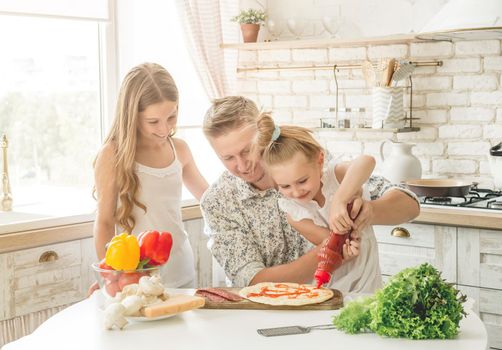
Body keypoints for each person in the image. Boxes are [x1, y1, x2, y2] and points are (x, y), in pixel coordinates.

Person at [200, 96, 420, 289]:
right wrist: (334, 249)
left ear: (263, 137)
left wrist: (369, 212)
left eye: (247, 150)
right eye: (227, 158)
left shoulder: (305, 163)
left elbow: (409, 205)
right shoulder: (218, 201)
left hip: (339, 304)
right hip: (264, 316)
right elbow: (253, 281)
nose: (242, 165)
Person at [93, 63, 208, 288]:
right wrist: (110, 277)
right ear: (132, 115)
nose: (164, 129)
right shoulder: (112, 155)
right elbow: (104, 223)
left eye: (171, 118)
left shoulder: (180, 149)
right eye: (153, 121)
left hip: (181, 269)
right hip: (134, 276)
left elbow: (210, 198)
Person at [253, 112, 380, 293]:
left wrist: (339, 199)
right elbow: (330, 243)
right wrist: (347, 248)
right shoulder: (294, 213)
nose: (296, 192)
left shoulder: (336, 176)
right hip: (335, 285)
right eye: (285, 186)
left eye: (302, 181)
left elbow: (367, 161)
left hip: (368, 277)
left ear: (319, 161)